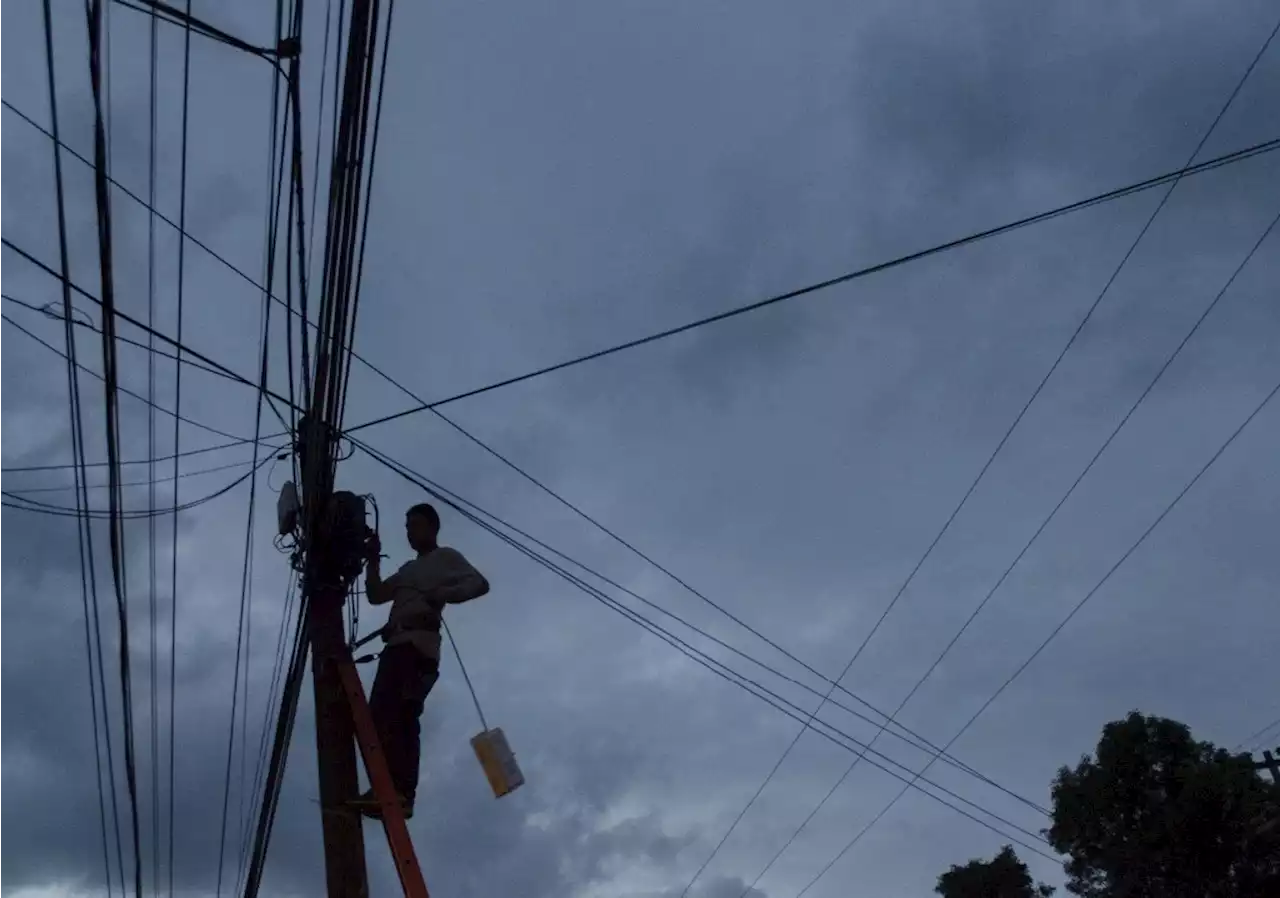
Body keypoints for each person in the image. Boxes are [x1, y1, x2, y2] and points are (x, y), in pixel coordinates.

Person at [349, 502, 489, 819]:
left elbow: (479, 583)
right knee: (379, 715)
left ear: (432, 527)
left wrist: (444, 594)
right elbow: (375, 594)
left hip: (418, 647)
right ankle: (386, 789)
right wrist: (372, 560)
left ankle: (402, 792)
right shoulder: (408, 571)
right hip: (397, 644)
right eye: (408, 527)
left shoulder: (446, 557)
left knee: (402, 715)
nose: (410, 532)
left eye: (415, 525)